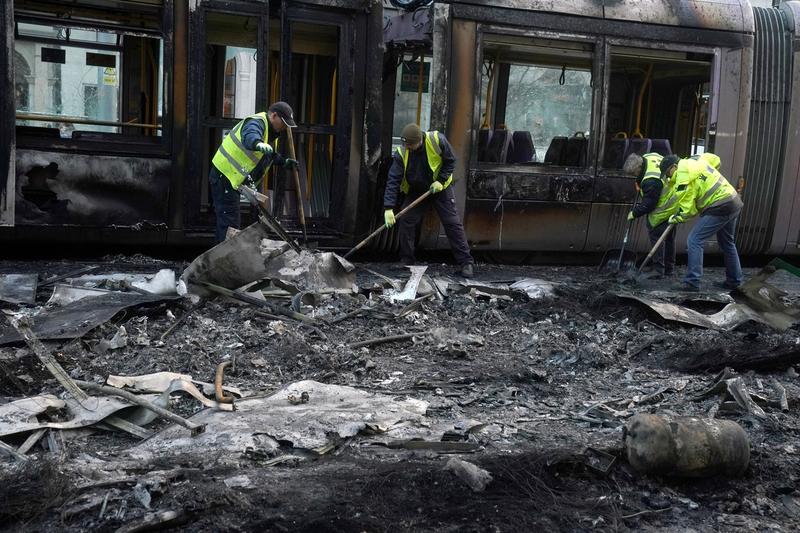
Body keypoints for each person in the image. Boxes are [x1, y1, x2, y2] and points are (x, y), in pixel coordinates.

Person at [383, 123, 475, 278]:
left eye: (410, 144)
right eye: (405, 144)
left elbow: (451, 160)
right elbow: (393, 179)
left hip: (440, 188)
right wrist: (388, 208)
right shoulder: (401, 152)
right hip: (417, 190)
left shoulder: (437, 140)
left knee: (452, 223)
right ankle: (407, 260)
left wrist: (440, 180)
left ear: (419, 140)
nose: (407, 147)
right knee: (406, 220)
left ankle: (466, 263)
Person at [208, 101, 298, 242]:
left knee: (228, 223)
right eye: (284, 123)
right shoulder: (257, 123)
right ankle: (221, 261)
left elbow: (267, 155)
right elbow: (250, 137)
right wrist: (258, 143)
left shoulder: (270, 131)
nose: (285, 127)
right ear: (274, 116)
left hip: (230, 178)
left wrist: (283, 162)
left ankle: (221, 260)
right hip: (224, 176)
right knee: (229, 225)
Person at [664, 154, 743, 291]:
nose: (669, 177)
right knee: (727, 243)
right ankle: (734, 281)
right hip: (733, 199)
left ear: (674, 167)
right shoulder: (696, 160)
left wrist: (678, 217)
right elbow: (716, 160)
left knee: (694, 240)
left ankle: (692, 282)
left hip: (720, 204)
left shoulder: (683, 173)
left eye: (667, 173)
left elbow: (688, 210)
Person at [622, 152, 679, 278]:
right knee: (669, 238)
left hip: (665, 206)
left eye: (634, 175)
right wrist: (638, 181)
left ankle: (658, 270)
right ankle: (669, 269)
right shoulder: (649, 156)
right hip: (675, 202)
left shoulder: (651, 181)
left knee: (655, 233)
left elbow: (649, 204)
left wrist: (635, 213)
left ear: (638, 169)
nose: (634, 177)